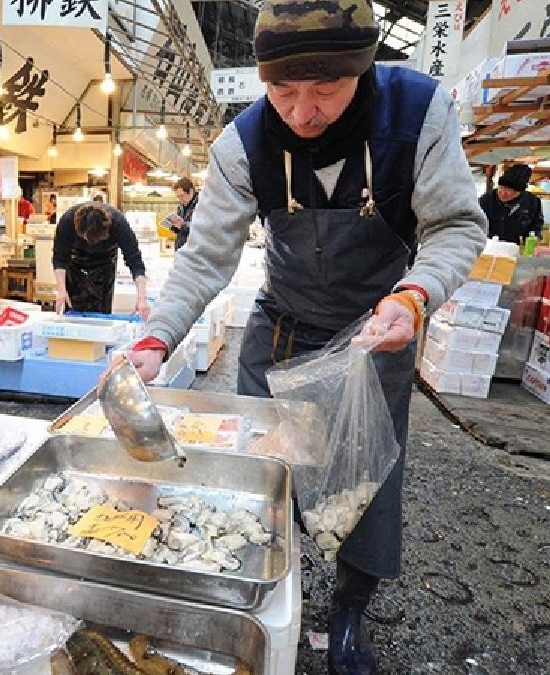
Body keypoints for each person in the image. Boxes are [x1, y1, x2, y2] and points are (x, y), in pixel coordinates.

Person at [125, 1, 486, 672]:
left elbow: (457, 225)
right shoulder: (244, 142)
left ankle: (348, 613)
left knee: (365, 483)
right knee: (267, 480)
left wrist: (415, 295)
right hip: (282, 331)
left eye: (325, 87)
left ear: (365, 67)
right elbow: (205, 258)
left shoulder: (418, 113)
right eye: (282, 89)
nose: (302, 110)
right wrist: (157, 337)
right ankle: (263, 594)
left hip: (376, 333)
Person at [53, 202, 150, 318]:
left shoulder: (119, 223)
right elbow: (59, 258)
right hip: (76, 261)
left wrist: (142, 299)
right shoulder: (68, 221)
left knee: (102, 309)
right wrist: (61, 291)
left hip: (105, 261)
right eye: (84, 237)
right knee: (71, 307)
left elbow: (135, 262)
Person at [478, 163, 543, 244]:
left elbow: (537, 226)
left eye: (510, 190)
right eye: (501, 187)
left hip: (517, 248)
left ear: (520, 192)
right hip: (489, 246)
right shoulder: (486, 200)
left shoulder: (533, 202)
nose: (503, 193)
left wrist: (534, 240)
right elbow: (475, 222)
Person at [169, 177, 199, 250]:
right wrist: (173, 226)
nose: (180, 199)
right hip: (181, 249)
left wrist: (183, 225)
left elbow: (202, 228)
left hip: (194, 250)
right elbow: (180, 230)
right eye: (178, 197)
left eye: (182, 196)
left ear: (191, 191)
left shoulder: (201, 206)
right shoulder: (180, 207)